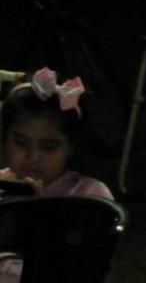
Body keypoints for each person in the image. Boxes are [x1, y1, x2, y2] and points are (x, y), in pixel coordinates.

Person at [0, 68, 113, 283]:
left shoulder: (87, 196)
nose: (33, 157)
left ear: (70, 146)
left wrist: (39, 212)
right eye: (20, 142)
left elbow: (83, 267)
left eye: (49, 147)